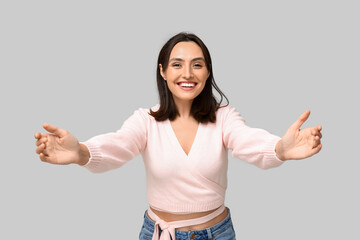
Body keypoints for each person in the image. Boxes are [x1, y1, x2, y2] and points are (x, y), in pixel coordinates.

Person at [34, 32, 322, 240]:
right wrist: (81, 153)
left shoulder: (224, 118)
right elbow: (117, 146)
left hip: (215, 234)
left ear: (208, 72)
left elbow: (249, 141)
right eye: (177, 64)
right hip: (158, 234)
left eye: (197, 64)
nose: (188, 73)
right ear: (162, 71)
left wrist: (281, 150)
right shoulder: (145, 121)